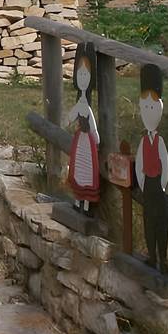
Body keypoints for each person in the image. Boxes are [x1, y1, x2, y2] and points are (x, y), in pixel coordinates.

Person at [135, 63, 168, 274]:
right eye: (145, 107)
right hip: (147, 184)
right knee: (148, 221)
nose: (148, 110)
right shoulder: (143, 142)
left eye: (152, 107)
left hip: (158, 184)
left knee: (161, 222)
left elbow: (165, 163)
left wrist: (163, 184)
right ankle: (152, 256)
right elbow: (139, 163)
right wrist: (142, 183)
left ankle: (164, 259)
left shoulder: (160, 142)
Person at [63, 43, 100, 211]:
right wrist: (66, 122)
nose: (83, 77)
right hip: (80, 140)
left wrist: (95, 135)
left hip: (86, 141)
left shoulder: (86, 108)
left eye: (86, 74)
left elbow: (92, 124)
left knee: (86, 169)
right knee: (78, 167)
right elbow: (70, 117)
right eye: (80, 74)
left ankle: (86, 204)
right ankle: (78, 200)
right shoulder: (80, 104)